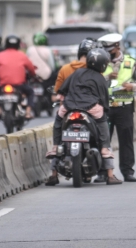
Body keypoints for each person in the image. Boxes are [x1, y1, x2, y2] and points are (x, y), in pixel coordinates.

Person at [57, 48, 123, 185]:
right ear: (104, 64)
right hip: (91, 107)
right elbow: (104, 99)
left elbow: (63, 89)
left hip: (70, 106)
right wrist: (105, 109)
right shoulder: (100, 78)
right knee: (103, 124)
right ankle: (110, 173)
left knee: (58, 120)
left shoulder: (77, 73)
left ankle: (55, 145)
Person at [94, 33, 136, 183]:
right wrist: (106, 78)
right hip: (105, 107)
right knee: (103, 140)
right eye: (105, 50)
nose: (107, 53)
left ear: (117, 46)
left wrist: (133, 86)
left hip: (125, 106)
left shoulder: (130, 62)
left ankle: (127, 171)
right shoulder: (100, 63)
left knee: (126, 140)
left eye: (109, 50)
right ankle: (102, 172)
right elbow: (93, 80)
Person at [45, 38, 95, 186]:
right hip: (89, 107)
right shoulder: (94, 69)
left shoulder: (66, 69)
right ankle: (107, 169)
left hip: (68, 107)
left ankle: (53, 172)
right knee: (101, 130)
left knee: (58, 133)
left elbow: (57, 91)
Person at [0, 35, 36, 123]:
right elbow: (31, 68)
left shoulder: (0, 55)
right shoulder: (22, 55)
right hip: (20, 85)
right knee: (30, 92)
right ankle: (28, 113)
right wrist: (33, 75)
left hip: (3, 84)